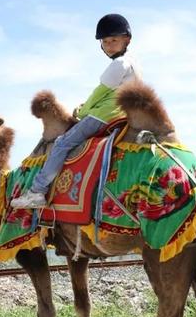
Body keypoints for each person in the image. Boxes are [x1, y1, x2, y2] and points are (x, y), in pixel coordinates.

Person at [11, 13, 141, 209]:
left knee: (62, 144)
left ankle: (37, 192)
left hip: (103, 116)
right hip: (123, 115)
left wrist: (81, 110)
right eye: (105, 41)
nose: (109, 44)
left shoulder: (118, 64)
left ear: (127, 40)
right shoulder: (133, 63)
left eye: (114, 40)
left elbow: (99, 94)